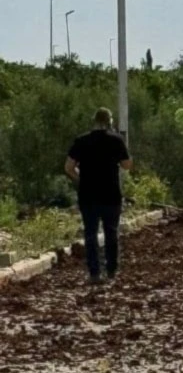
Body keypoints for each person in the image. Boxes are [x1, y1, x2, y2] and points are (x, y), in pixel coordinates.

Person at [64, 108, 132, 284]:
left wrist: (81, 179)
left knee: (90, 234)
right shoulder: (116, 140)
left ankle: (94, 273)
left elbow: (68, 167)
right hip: (111, 194)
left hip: (88, 195)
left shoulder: (81, 141)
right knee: (111, 232)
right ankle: (111, 271)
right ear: (110, 121)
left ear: (93, 120)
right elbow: (127, 165)